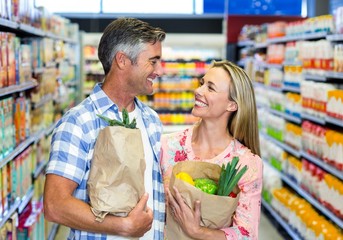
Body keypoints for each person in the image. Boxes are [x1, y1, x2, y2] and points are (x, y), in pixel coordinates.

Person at [43, 18, 166, 240]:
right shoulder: (79, 122)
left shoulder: (151, 120)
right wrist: (123, 226)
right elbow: (55, 205)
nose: (160, 70)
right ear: (122, 60)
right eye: (153, 61)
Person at [160, 60, 263, 239]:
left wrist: (197, 231)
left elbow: (246, 235)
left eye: (211, 88)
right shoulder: (168, 146)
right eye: (202, 84)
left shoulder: (247, 165)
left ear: (232, 105)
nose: (198, 91)